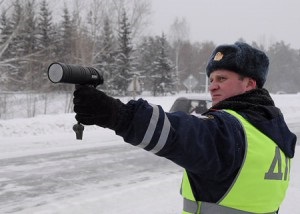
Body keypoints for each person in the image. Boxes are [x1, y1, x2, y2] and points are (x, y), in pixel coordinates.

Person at [73, 42, 297, 213]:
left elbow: (181, 133)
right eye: (210, 79)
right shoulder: (273, 132)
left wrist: (116, 114)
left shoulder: (231, 130)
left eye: (221, 78)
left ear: (249, 83)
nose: (212, 86)